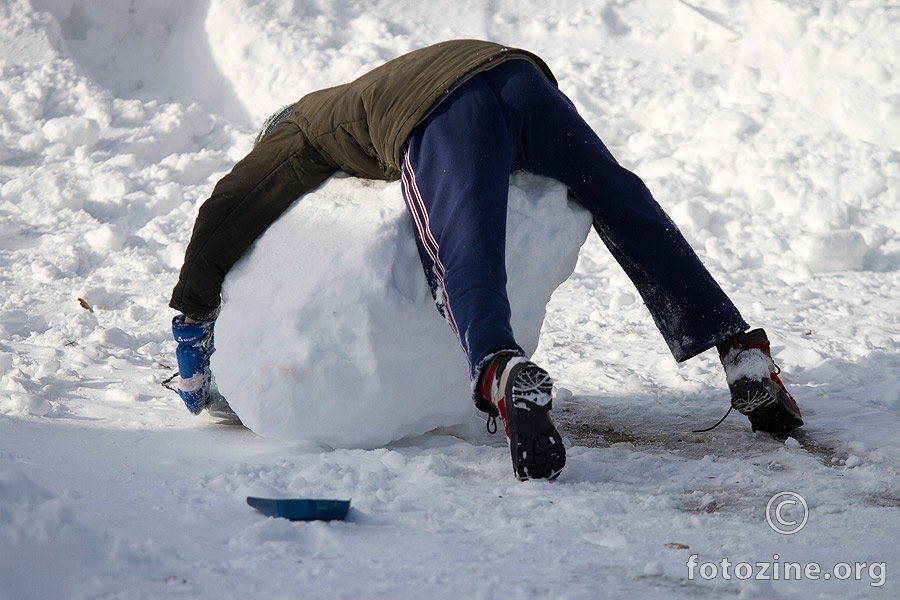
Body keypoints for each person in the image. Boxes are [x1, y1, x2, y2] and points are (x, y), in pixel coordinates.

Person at [168, 39, 803, 481]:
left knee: (460, 248)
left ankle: (500, 369)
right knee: (623, 202)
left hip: (441, 111)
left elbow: (227, 211)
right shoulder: (358, 89)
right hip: (517, 75)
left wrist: (191, 318)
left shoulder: (297, 130)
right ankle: (739, 351)